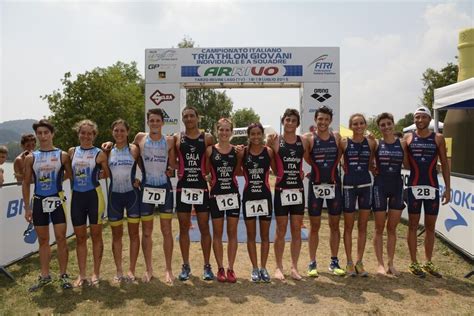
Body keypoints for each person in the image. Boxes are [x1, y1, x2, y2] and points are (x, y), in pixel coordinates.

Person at [22, 119, 73, 291]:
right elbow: (26, 183)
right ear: (37, 135)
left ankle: (63, 275)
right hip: (38, 202)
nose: (43, 136)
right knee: (43, 240)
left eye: (46, 133)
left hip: (56, 201)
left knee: (60, 239)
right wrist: (27, 207)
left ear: (52, 134)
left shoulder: (62, 155)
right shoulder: (30, 158)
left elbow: (71, 175)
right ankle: (45, 276)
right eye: (40, 133)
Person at [404, 106, 450, 278]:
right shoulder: (407, 138)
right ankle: (414, 262)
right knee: (413, 226)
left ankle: (428, 261)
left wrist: (448, 188)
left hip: (432, 186)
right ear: (414, 119)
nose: (420, 120)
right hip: (415, 186)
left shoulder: (438, 138)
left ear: (429, 119)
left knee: (430, 227)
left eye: (423, 117)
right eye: (417, 117)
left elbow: (444, 164)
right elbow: (407, 165)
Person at [267, 108, 309, 281]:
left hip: (298, 190)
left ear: (297, 123)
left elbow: (308, 160)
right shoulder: (276, 141)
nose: (290, 123)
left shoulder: (304, 141)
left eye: (293, 120)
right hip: (281, 190)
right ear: (283, 121)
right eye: (287, 120)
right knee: (281, 230)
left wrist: (305, 173)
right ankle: (278, 267)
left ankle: (294, 267)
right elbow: (274, 167)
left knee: (297, 231)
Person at [135, 108, 176, 283]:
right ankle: (149, 269)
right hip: (146, 188)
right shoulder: (140, 138)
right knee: (146, 232)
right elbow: (132, 154)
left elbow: (172, 164)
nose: (154, 123)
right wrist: (137, 176)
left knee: (167, 230)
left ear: (162, 123)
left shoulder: (169, 141)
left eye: (158, 121)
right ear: (148, 122)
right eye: (151, 120)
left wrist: (170, 169)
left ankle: (168, 269)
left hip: (164, 189)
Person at [174, 106, 215, 281]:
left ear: (198, 118)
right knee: (184, 228)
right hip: (183, 187)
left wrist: (210, 174)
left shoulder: (207, 138)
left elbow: (216, 157)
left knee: (204, 228)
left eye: (192, 116)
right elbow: (172, 161)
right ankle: (186, 265)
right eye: (186, 116)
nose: (189, 119)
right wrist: (173, 169)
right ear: (183, 119)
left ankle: (207, 266)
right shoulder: (177, 137)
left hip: (201, 187)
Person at [304, 106, 346, 277]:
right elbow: (306, 156)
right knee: (315, 227)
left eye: (326, 119)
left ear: (330, 121)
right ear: (315, 120)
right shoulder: (309, 138)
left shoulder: (336, 137)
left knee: (334, 226)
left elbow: (344, 151)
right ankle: (312, 263)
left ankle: (334, 261)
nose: (323, 122)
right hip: (316, 185)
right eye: (320, 119)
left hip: (333, 185)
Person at [69, 119, 108, 287]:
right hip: (77, 197)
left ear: (94, 135)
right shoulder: (71, 152)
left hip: (94, 197)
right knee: (80, 238)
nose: (86, 136)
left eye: (89, 133)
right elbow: (68, 173)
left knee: (96, 236)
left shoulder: (99, 153)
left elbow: (107, 173)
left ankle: (96, 273)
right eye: (83, 133)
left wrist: (98, 175)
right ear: (78, 134)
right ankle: (82, 274)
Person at [206, 118, 243, 283]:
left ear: (231, 132)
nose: (224, 133)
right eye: (221, 130)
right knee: (218, 233)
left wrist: (241, 157)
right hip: (216, 196)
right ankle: (220, 267)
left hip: (233, 194)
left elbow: (238, 172)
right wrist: (208, 179)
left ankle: (231, 268)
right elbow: (205, 171)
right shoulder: (209, 151)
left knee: (232, 233)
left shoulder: (237, 151)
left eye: (227, 130)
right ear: (217, 131)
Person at [341, 113, 376, 277]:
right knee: (348, 226)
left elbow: (371, 164)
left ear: (365, 124)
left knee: (363, 226)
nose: (359, 126)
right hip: (349, 186)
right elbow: (338, 161)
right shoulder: (343, 142)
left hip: (365, 186)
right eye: (355, 124)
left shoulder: (371, 142)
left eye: (361, 123)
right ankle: (349, 262)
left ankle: (359, 262)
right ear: (350, 126)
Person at [106, 119, 141, 282]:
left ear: (128, 132)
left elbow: (145, 166)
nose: (119, 133)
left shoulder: (134, 149)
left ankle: (131, 270)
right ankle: (119, 270)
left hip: (132, 196)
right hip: (115, 197)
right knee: (116, 235)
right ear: (112, 132)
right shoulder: (107, 151)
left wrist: (140, 179)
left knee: (134, 234)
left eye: (122, 130)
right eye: (116, 130)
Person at [372, 113, 407, 276]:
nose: (386, 127)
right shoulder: (376, 144)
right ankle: (379, 264)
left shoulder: (402, 143)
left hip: (397, 186)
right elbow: (368, 162)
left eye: (388, 123)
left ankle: (391, 263)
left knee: (392, 228)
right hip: (380, 186)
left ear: (393, 124)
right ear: (379, 127)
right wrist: (373, 169)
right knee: (379, 228)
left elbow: (408, 163)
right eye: (383, 125)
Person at [242, 122, 276, 282]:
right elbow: (236, 171)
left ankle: (263, 267)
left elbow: (277, 170)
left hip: (265, 197)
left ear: (262, 135)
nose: (256, 137)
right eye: (252, 134)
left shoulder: (268, 151)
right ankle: (254, 268)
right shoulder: (243, 152)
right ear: (248, 136)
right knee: (251, 235)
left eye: (258, 133)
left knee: (264, 236)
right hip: (249, 197)